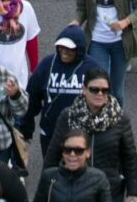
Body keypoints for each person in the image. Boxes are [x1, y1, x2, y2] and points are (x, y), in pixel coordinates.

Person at [44, 69, 137, 202]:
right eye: (94, 89)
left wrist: (133, 191)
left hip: (109, 191)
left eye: (104, 90)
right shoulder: (68, 116)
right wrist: (47, 187)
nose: (100, 94)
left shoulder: (120, 119)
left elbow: (129, 156)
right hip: (74, 191)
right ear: (84, 90)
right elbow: (53, 153)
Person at [23, 25, 93, 157]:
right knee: (52, 174)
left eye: (69, 48)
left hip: (82, 135)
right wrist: (26, 126)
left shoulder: (92, 68)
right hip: (51, 133)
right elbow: (31, 97)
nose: (64, 51)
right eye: (61, 47)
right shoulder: (48, 64)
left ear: (79, 49)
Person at [32, 125, 116, 202]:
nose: (72, 154)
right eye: (67, 150)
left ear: (88, 152)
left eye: (78, 150)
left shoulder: (99, 179)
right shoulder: (49, 176)